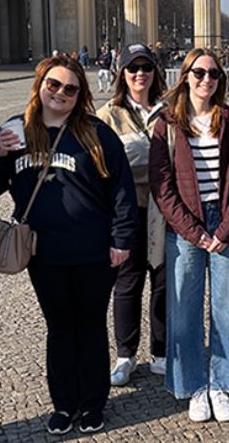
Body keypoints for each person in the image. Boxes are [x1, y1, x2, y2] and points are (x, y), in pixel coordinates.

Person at [0, 55, 138, 435]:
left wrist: (122, 239)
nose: (60, 93)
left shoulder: (94, 132)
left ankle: (92, 404)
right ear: (39, 85)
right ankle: (62, 404)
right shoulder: (15, 130)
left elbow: (122, 189)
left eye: (70, 88)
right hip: (44, 253)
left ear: (80, 95)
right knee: (58, 328)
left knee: (89, 327)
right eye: (53, 84)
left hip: (93, 251)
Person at [148, 48, 229, 423]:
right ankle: (195, 385)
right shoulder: (166, 123)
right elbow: (162, 186)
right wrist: (194, 232)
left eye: (213, 74)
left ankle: (223, 384)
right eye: (198, 73)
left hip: (228, 222)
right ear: (185, 76)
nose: (206, 80)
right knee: (184, 311)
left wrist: (225, 228)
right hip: (186, 226)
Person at [95, 44, 169, 386]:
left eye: (146, 67)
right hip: (126, 210)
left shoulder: (170, 110)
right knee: (128, 282)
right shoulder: (107, 115)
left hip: (165, 209)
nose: (140, 74)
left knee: (164, 281)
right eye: (132, 68)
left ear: (155, 72)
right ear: (121, 73)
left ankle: (162, 350)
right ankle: (125, 354)